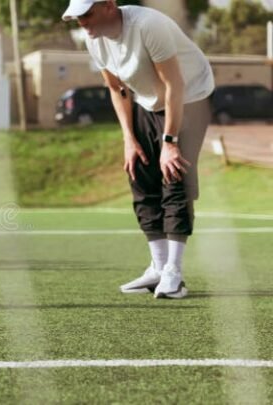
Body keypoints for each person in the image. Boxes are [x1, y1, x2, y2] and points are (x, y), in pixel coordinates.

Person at [62, 0, 214, 299]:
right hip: (148, 102)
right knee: (139, 173)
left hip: (190, 97)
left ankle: (173, 273)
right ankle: (158, 267)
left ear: (109, 5)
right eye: (77, 17)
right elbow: (117, 89)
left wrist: (169, 142)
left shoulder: (148, 26)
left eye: (87, 14)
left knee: (174, 174)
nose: (83, 23)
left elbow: (174, 85)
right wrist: (129, 139)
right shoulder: (94, 40)